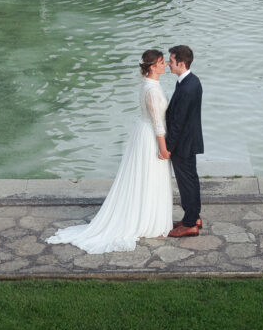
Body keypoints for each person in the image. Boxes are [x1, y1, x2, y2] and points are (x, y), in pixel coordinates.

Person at [46, 50, 172, 253]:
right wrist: (164, 148)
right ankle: (146, 220)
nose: (165, 64)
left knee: (144, 177)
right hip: (150, 137)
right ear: (151, 67)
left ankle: (144, 215)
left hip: (142, 131)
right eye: (160, 62)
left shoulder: (148, 86)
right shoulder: (153, 91)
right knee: (150, 177)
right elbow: (158, 124)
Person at [163, 45, 204, 238]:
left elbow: (178, 122)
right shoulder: (190, 81)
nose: (169, 64)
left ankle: (190, 224)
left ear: (181, 63)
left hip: (183, 144)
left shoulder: (187, 87)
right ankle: (193, 216)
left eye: (171, 61)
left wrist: (168, 147)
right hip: (189, 140)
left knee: (187, 183)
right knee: (190, 181)